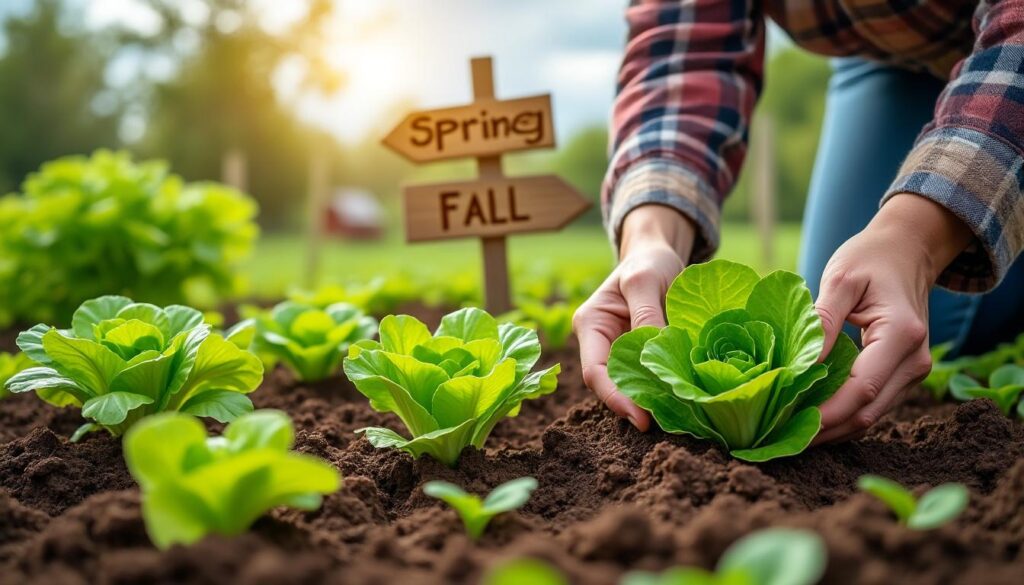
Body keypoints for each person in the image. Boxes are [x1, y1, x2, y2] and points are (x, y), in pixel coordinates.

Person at [574, 0, 1024, 443]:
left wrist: (914, 239)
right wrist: (650, 236)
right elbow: (681, 49)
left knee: (896, 304)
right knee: (847, 331)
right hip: (886, 54)